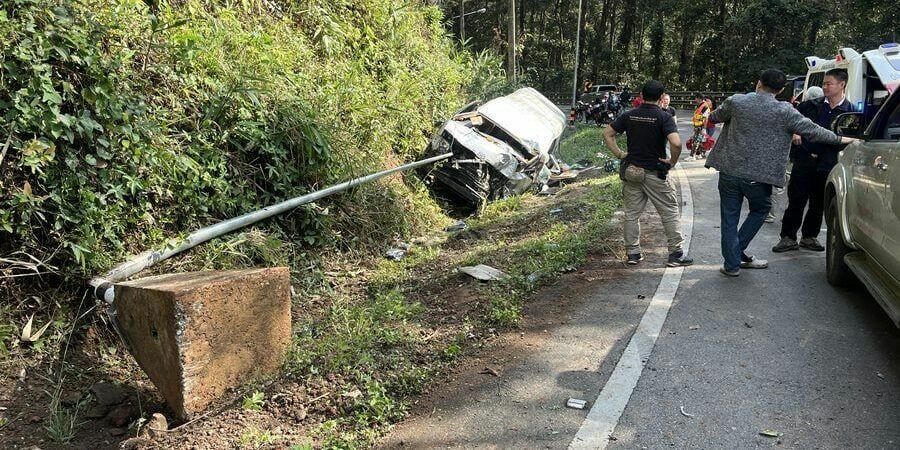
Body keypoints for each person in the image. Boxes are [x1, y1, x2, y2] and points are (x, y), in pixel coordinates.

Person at [705, 69, 856, 277]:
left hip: (729, 171)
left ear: (759, 83)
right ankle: (736, 254)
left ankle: (732, 263)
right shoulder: (785, 111)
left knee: (729, 218)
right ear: (782, 89)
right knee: (760, 210)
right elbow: (813, 130)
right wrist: (840, 140)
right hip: (760, 177)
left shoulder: (737, 101)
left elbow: (714, 116)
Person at [603, 80, 693, 267]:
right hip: (655, 173)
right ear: (661, 98)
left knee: (631, 214)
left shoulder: (629, 115)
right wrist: (672, 161)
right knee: (669, 212)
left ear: (641, 95)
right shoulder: (664, 117)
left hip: (632, 171)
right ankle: (675, 254)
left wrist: (620, 154)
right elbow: (676, 143)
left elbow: (607, 133)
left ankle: (633, 253)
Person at [772, 70, 853, 252]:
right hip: (805, 159)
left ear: (842, 84)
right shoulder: (809, 106)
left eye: (829, 83)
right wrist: (794, 133)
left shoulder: (850, 112)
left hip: (829, 163)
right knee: (796, 200)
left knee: (818, 203)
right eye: (824, 83)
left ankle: (809, 237)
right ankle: (788, 237)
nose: (824, 87)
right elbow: (789, 123)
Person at [765, 86, 825, 223]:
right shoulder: (825, 109)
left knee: (780, 185)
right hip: (809, 155)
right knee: (794, 188)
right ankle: (787, 213)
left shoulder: (799, 108)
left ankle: (771, 213)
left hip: (792, 154)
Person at [690, 93, 711, 159]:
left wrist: (704, 128)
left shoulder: (704, 107)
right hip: (697, 126)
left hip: (701, 127)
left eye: (696, 99)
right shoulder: (700, 105)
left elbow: (706, 119)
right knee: (699, 141)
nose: (695, 100)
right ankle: (699, 154)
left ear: (698, 99)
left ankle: (692, 156)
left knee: (696, 141)